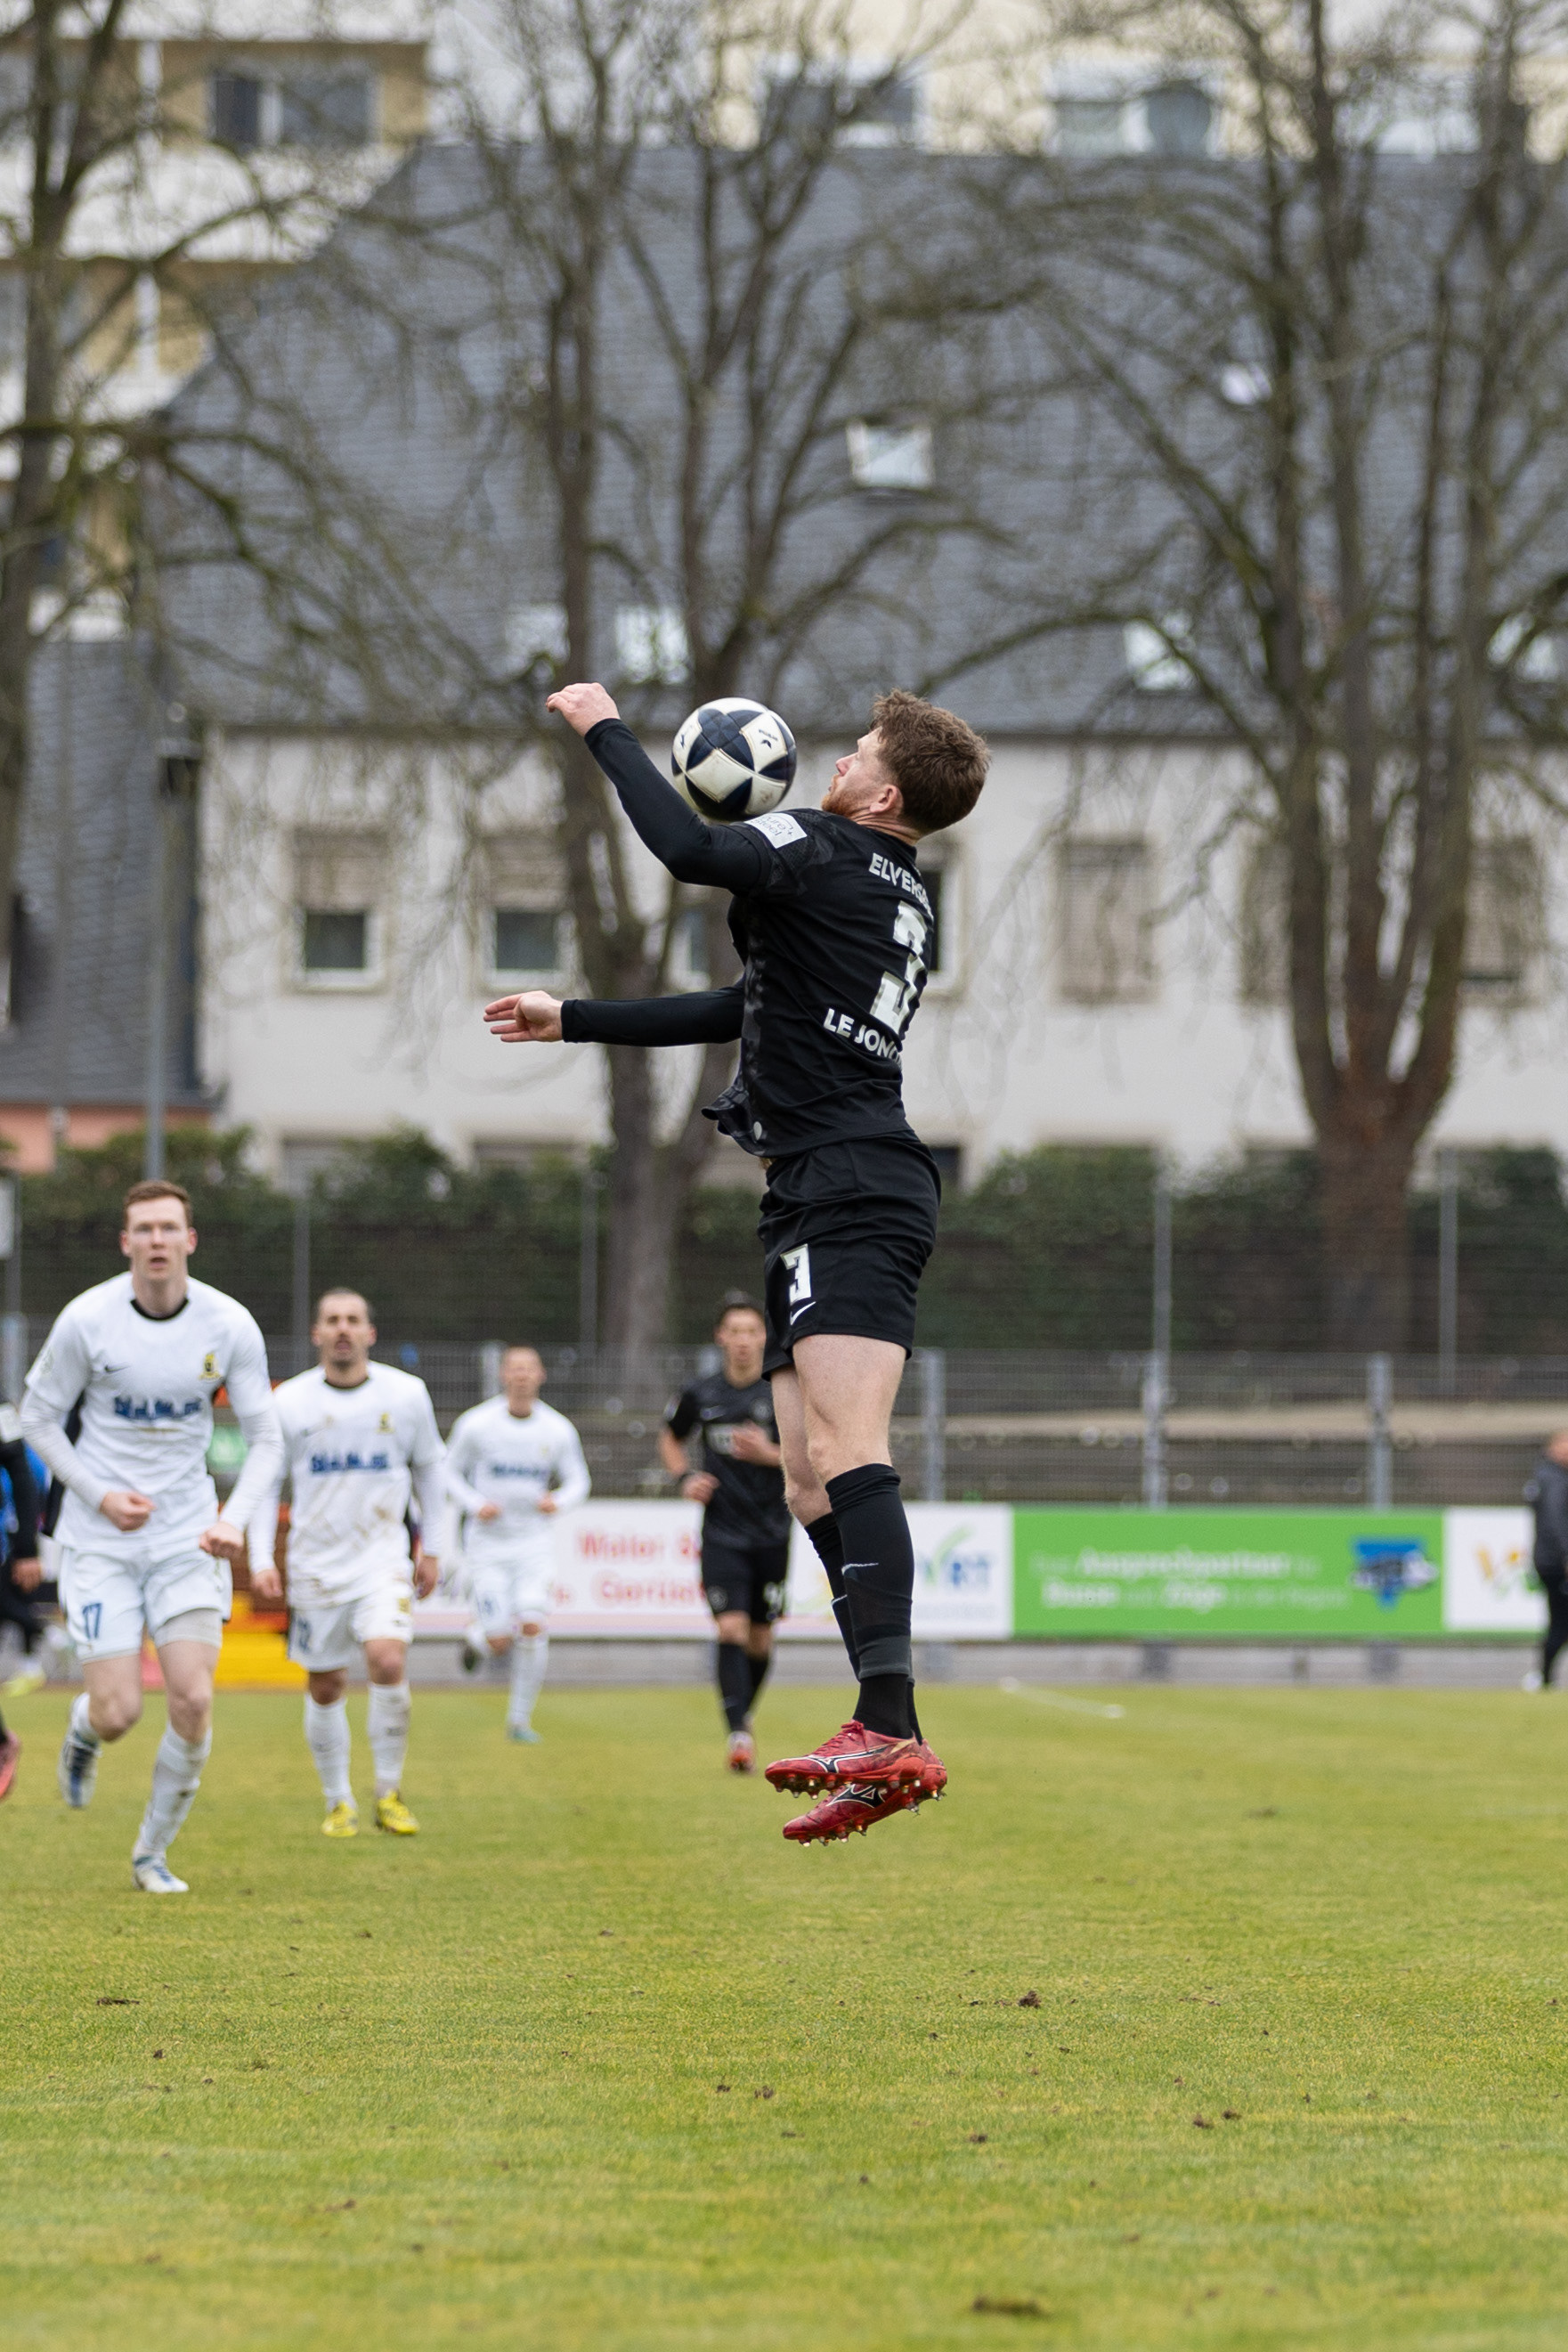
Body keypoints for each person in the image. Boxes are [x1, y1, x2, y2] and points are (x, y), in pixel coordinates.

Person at [485, 681, 988, 1844]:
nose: (839, 759)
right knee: (808, 1474)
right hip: (817, 1191)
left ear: (884, 790)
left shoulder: (818, 844)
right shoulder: (893, 889)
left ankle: (889, 1716)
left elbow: (685, 846)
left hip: (849, 1185)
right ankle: (883, 1731)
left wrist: (602, 727)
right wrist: (576, 1018)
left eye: (858, 749)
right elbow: (744, 1005)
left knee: (852, 1449)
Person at [20, 1180, 282, 1892]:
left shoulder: (228, 1324)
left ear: (190, 1240)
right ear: (126, 1241)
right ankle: (83, 1733)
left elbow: (266, 1437)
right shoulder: (87, 1319)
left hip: (186, 1537)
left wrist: (232, 1520)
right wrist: (100, 1493)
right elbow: (37, 1420)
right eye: (145, 1229)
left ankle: (151, 1854)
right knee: (119, 1712)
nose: (158, 1240)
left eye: (171, 1227)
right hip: (99, 1540)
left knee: (193, 1699)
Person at [250, 1289, 444, 1838]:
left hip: (382, 1556)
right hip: (315, 1564)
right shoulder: (288, 1400)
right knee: (327, 1683)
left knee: (386, 1659)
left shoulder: (406, 1395)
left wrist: (433, 1548)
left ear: (370, 1333)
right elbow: (266, 1485)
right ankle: (339, 1800)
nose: (343, 1329)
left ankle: (388, 1791)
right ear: (316, 1334)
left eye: (353, 1320)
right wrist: (264, 1556)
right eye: (332, 1320)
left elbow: (431, 1471)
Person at [661, 1293, 789, 1774]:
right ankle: (738, 1733)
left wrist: (769, 1454)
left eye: (752, 1332)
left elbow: (811, 1454)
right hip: (722, 1534)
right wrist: (684, 1477)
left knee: (760, 1640)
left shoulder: (783, 1392)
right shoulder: (701, 1392)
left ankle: (743, 1713)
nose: (742, 1341)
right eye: (733, 1332)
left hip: (774, 1532)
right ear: (720, 1338)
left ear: (764, 1338)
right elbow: (671, 1435)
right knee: (730, 1628)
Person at [445, 1344, 589, 1742]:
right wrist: (475, 1503)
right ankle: (478, 1639)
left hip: (533, 1545)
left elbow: (579, 1480)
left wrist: (556, 1500)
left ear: (541, 1375)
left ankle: (519, 1721)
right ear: (503, 1376)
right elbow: (448, 1472)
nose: (522, 1375)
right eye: (515, 1369)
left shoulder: (557, 1429)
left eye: (530, 1368)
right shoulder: (477, 1425)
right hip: (488, 1547)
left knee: (532, 1625)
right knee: (499, 1638)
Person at [1523, 1431, 1568, 1690]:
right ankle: (1543, 1677)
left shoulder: (1545, 1476)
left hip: (1549, 1559)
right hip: (1556, 1562)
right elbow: (1556, 1522)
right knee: (1560, 1622)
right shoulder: (1554, 1479)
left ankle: (1543, 1677)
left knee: (1559, 1621)